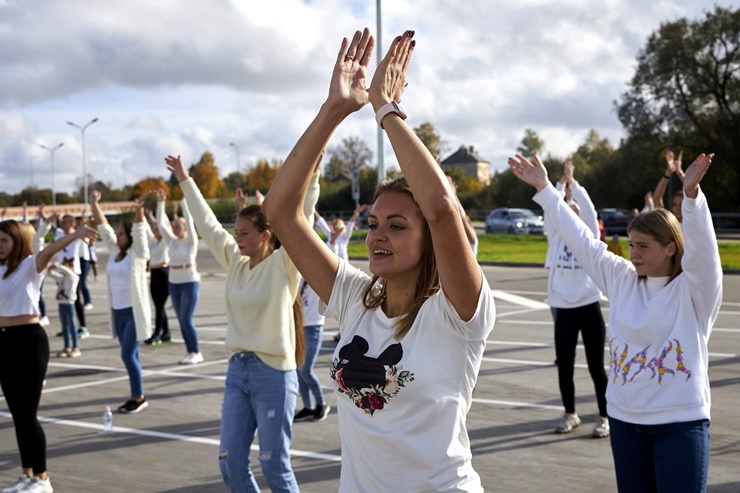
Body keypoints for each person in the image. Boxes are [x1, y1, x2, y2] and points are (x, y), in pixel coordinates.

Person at [263, 28, 495, 492]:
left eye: (398, 225)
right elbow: (280, 213)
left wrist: (384, 109)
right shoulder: (355, 298)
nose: (377, 237)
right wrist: (335, 109)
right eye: (373, 224)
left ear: (429, 239)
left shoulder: (457, 312)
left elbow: (444, 210)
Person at [508, 152, 721, 493]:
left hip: (679, 425)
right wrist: (545, 188)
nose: (633, 253)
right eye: (632, 244)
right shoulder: (621, 277)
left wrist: (693, 196)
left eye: (643, 246)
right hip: (625, 424)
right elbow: (582, 240)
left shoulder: (694, 289)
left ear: (670, 248)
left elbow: (704, 252)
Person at [165, 153, 318, 493]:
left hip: (274, 375)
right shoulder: (234, 260)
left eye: (245, 233)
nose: (237, 238)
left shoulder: (284, 265)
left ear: (266, 235)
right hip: (238, 371)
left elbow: (302, 218)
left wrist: (313, 175)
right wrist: (185, 180)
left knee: (273, 465)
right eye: (236, 232)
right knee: (230, 463)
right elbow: (206, 224)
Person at [1, 218, 96, 493]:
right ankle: (27, 475)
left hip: (28, 342)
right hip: (4, 342)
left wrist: (76, 234)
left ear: (17, 241)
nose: (0, 246)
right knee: (17, 415)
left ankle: (42, 479)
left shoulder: (30, 265)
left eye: (5, 240)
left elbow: (51, 249)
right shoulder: (1, 270)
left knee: (28, 415)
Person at [547, 157, 609, 438]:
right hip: (564, 308)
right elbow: (552, 209)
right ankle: (570, 413)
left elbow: (590, 209)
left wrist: (574, 182)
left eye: (576, 211)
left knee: (597, 367)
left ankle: (605, 416)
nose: (570, 214)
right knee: (565, 367)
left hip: (588, 305)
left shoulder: (590, 239)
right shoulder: (555, 236)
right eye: (567, 211)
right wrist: (560, 184)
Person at [89, 189, 152, 414]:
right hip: (118, 313)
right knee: (131, 354)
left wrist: (138, 209)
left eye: (122, 234)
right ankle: (137, 393)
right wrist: (94, 203)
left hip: (134, 312)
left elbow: (140, 230)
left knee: (127, 354)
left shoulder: (138, 253)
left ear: (130, 237)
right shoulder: (115, 250)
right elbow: (103, 226)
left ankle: (138, 396)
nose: (117, 236)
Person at [156, 192, 202, 364]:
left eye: (177, 226)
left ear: (183, 228)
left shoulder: (190, 241)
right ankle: (190, 351)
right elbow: (161, 224)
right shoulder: (171, 241)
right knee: (181, 320)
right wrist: (161, 203)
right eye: (173, 226)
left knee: (186, 318)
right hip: (174, 282)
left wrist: (184, 201)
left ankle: (196, 351)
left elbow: (190, 222)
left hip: (190, 281)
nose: (174, 228)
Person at [52, 214, 90, 339]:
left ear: (72, 224)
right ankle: (66, 327)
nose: (63, 225)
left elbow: (83, 232)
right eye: (62, 223)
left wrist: (85, 224)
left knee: (76, 299)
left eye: (66, 223)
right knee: (63, 299)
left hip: (73, 272)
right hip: (61, 272)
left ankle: (83, 327)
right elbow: (52, 228)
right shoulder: (59, 234)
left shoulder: (76, 235)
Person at [144, 199, 172, 345]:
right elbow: (148, 230)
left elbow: (164, 224)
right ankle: (166, 332)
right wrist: (148, 217)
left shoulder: (165, 242)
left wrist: (160, 206)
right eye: (154, 229)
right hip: (153, 274)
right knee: (158, 305)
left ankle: (157, 333)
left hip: (164, 272)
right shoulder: (153, 242)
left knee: (160, 305)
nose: (155, 231)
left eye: (158, 229)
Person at [47, 258, 82, 358]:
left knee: (72, 326)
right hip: (61, 303)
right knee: (64, 327)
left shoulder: (73, 277)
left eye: (66, 266)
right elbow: (51, 274)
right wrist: (50, 268)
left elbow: (68, 272)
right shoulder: (62, 278)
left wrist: (58, 265)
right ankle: (67, 347)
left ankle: (76, 347)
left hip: (69, 304)